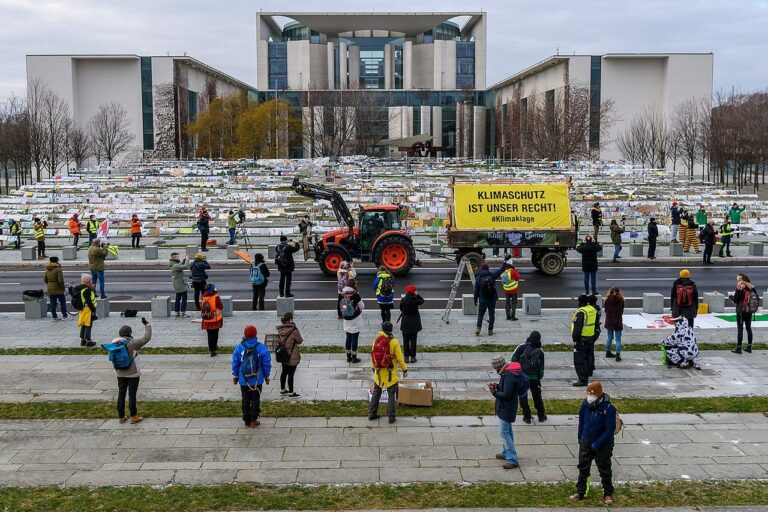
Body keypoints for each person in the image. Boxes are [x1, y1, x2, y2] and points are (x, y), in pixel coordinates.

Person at [569, 381, 616, 505]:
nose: (589, 396)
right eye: (588, 393)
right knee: (583, 468)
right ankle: (580, 491)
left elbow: (609, 430)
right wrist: (580, 437)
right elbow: (582, 422)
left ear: (598, 395)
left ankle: (608, 493)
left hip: (603, 445)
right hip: (586, 441)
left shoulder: (608, 408)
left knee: (604, 469)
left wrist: (597, 444)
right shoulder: (585, 404)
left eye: (592, 394)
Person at [112, 318, 152, 424]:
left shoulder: (114, 343)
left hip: (120, 372)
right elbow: (146, 338)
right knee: (132, 394)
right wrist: (147, 325)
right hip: (133, 373)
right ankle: (133, 416)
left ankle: (121, 417)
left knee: (121, 394)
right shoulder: (133, 343)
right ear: (129, 333)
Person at [231, 325, 271, 428]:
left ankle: (246, 420)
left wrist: (235, 376)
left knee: (245, 399)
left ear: (245, 335)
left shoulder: (239, 347)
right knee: (255, 398)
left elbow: (235, 363)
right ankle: (254, 419)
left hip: (244, 380)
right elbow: (266, 363)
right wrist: (266, 376)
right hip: (258, 380)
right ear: (255, 335)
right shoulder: (261, 347)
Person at [368, 321, 407, 424]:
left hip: (378, 372)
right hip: (390, 374)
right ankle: (391, 417)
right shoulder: (394, 341)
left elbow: (372, 355)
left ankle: (372, 413)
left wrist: (373, 368)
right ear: (391, 330)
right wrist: (404, 369)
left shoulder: (376, 340)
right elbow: (399, 358)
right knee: (391, 395)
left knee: (376, 393)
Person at [489, 355, 520, 469]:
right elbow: (506, 388)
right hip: (506, 407)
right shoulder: (506, 372)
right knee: (508, 432)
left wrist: (494, 393)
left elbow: (506, 394)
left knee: (504, 433)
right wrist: (497, 386)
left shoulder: (509, 375)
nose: (495, 370)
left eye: (495, 368)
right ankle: (506, 453)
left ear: (499, 366)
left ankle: (512, 459)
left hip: (507, 408)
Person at [511, 331, 546, 423]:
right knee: (537, 397)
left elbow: (513, 360)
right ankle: (541, 416)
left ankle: (527, 417)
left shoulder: (522, 347)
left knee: (523, 396)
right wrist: (539, 377)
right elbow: (541, 368)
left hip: (522, 377)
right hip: (534, 378)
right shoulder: (540, 351)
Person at [473, 259, 509, 336]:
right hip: (492, 299)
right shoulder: (492, 275)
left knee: (481, 314)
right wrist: (505, 262)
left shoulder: (478, 278)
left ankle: (478, 329)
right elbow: (500, 270)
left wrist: (475, 299)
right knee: (491, 314)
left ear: (482, 269)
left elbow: (476, 290)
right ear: (488, 268)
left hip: (482, 299)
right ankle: (490, 330)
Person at [571, 295, 596, 387]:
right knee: (589, 357)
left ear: (580, 302)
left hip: (582, 339)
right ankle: (588, 373)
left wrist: (575, 339)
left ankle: (582, 379)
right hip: (590, 337)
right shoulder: (592, 309)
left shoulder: (581, 312)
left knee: (580, 360)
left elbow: (578, 328)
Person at [277, 312, 303, 397]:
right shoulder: (293, 330)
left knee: (284, 372)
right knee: (291, 374)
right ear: (291, 319)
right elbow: (300, 341)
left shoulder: (280, 329)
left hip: (283, 354)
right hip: (292, 354)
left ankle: (282, 389)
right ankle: (291, 392)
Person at [729, 273, 756, 354]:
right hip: (749, 311)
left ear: (741, 280)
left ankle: (739, 348)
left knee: (740, 329)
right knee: (748, 328)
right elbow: (756, 297)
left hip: (741, 311)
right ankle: (749, 347)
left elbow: (735, 300)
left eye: (738, 279)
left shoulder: (739, 288)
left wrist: (731, 297)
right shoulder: (751, 287)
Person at [399, 284, 424, 363]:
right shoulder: (415, 300)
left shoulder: (403, 300)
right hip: (414, 323)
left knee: (405, 340)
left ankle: (406, 357)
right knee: (413, 340)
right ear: (413, 292)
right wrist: (417, 295)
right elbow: (422, 301)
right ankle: (413, 357)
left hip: (405, 322)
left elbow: (401, 308)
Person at [340, 285, 364, 363]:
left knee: (348, 337)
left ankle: (348, 357)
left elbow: (340, 305)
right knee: (354, 338)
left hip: (346, 319)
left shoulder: (342, 294)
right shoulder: (356, 295)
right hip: (355, 319)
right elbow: (362, 306)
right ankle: (354, 357)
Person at [201, 283, 223, 357]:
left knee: (209, 335)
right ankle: (214, 348)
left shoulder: (203, 297)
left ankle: (211, 350)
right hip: (215, 319)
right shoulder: (216, 297)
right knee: (215, 334)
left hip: (207, 319)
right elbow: (221, 306)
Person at [44, 256, 69, 321]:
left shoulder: (47, 268)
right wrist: (62, 287)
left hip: (50, 287)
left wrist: (49, 284)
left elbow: (45, 280)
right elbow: (60, 280)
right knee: (62, 302)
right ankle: (64, 316)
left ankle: (54, 317)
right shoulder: (58, 269)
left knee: (53, 303)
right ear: (56, 261)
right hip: (58, 288)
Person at [76, 273, 97, 347]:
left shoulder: (81, 289)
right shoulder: (86, 290)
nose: (91, 282)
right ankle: (88, 341)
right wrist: (93, 309)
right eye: (90, 280)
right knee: (88, 325)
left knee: (84, 324)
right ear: (87, 282)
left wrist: (91, 288)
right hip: (88, 309)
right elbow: (89, 301)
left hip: (83, 309)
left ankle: (83, 340)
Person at [604, 288, 624, 361]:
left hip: (609, 321)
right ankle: (618, 356)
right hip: (617, 321)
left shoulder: (607, 299)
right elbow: (622, 311)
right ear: (619, 292)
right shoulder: (621, 300)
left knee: (609, 337)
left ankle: (608, 352)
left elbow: (606, 311)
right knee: (618, 339)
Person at [169, 252, 190, 317]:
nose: (178, 257)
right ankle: (182, 312)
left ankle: (177, 312)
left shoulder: (173, 264)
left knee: (178, 298)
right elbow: (185, 267)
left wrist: (183, 260)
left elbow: (180, 266)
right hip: (180, 284)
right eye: (177, 257)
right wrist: (187, 260)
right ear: (174, 257)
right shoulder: (175, 265)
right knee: (184, 298)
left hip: (177, 284)